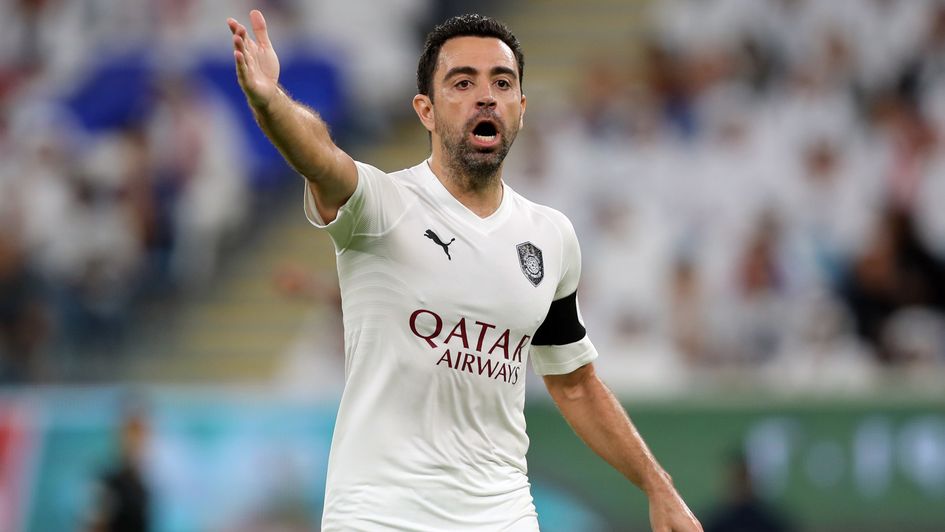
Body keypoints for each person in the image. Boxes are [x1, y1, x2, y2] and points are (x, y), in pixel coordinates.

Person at [228, 9, 702, 531]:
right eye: (462, 82)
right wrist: (271, 101)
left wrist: (660, 487)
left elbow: (576, 384)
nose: (486, 96)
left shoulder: (549, 237)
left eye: (502, 83)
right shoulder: (383, 205)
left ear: (520, 108)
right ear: (425, 110)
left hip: (502, 516)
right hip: (380, 517)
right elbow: (318, 156)